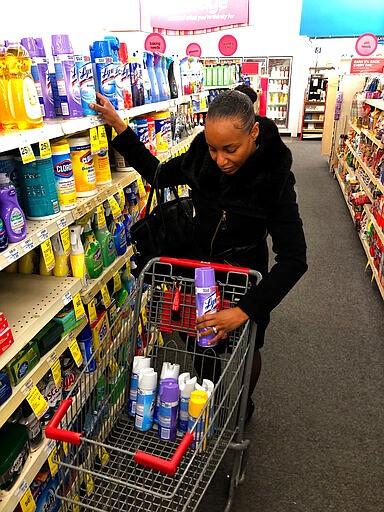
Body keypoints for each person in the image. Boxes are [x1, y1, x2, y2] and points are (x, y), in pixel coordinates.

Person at [89, 90, 308, 421]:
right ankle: (208, 398)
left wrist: (244, 310)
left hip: (244, 279)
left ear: (254, 133)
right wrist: (120, 126)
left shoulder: (273, 179)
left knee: (246, 349)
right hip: (198, 272)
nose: (220, 159)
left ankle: (240, 407)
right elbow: (159, 175)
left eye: (230, 149)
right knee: (200, 343)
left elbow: (294, 258)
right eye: (212, 148)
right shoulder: (200, 159)